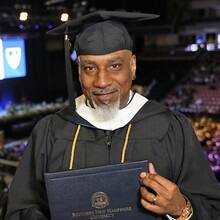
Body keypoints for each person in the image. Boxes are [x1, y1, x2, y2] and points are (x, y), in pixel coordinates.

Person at [5, 10, 220, 220]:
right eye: (90, 68)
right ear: (78, 71)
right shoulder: (50, 131)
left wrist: (182, 209)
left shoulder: (171, 128)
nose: (102, 81)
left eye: (115, 66)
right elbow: (19, 209)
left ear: (133, 66)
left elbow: (212, 209)